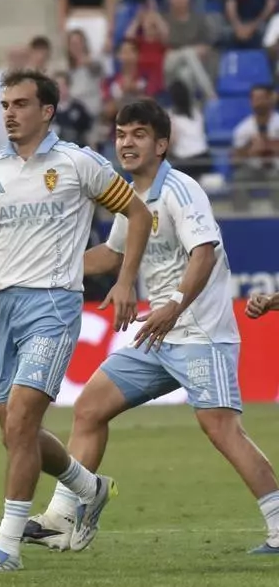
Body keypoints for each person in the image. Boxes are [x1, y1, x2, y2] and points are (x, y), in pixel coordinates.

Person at [26, 100, 279, 556]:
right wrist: (48, 268)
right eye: (122, 134)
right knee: (89, 409)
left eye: (139, 134)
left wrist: (174, 306)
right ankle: (63, 516)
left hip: (199, 332)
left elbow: (204, 253)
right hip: (156, 336)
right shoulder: (129, 197)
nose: (127, 142)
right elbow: (112, 255)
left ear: (161, 145)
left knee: (222, 429)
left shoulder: (182, 189)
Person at [0, 69, 152, 572]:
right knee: (13, 431)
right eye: (5, 105)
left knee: (22, 421)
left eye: (20, 104)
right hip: (5, 308)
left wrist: (126, 280)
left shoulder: (77, 164)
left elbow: (139, 214)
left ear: (47, 111)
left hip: (54, 306)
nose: (9, 113)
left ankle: (6, 548)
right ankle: (89, 486)